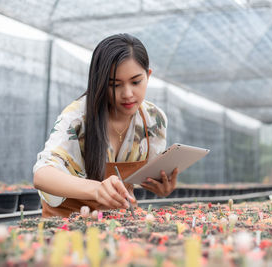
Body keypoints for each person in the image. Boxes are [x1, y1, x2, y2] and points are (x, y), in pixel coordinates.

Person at [33, 33, 178, 217]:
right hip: (67, 223)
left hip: (118, 222)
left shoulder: (153, 120)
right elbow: (42, 175)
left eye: (136, 82)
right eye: (115, 84)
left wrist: (161, 187)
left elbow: (151, 175)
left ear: (148, 76)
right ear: (99, 83)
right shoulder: (78, 117)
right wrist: (96, 189)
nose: (127, 93)